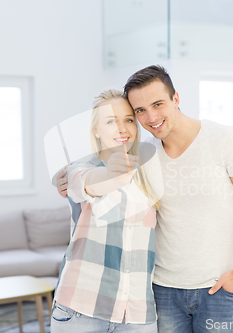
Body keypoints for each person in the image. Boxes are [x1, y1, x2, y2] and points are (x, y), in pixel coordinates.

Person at [56, 66, 233, 333]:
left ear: (176, 99)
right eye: (140, 111)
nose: (151, 117)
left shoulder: (226, 140)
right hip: (162, 291)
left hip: (217, 289)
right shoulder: (145, 153)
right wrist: (65, 175)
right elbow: (95, 169)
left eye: (158, 104)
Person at [50, 89, 160, 333]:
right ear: (96, 131)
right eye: (111, 121)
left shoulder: (149, 174)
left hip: (138, 314)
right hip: (80, 309)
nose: (122, 128)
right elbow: (88, 183)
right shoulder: (79, 169)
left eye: (128, 120)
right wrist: (113, 173)